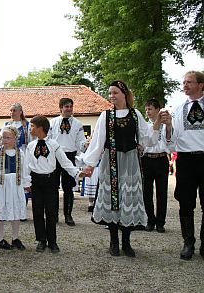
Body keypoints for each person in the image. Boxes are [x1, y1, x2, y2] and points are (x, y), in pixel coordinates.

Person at [83, 80, 165, 257]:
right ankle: (114, 241)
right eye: (110, 93)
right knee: (113, 200)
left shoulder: (135, 114)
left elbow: (147, 138)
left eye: (115, 93)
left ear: (124, 93)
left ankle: (126, 242)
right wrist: (89, 165)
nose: (112, 96)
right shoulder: (105, 116)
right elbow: (97, 142)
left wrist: (157, 122)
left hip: (130, 162)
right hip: (110, 161)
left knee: (128, 198)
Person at [25, 115, 84, 253]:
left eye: (32, 126)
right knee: (37, 211)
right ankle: (41, 239)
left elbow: (65, 162)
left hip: (50, 181)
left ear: (40, 128)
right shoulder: (30, 146)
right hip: (36, 181)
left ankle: (52, 241)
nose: (30, 129)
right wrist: (26, 182)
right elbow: (27, 166)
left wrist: (76, 173)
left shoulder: (54, 145)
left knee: (51, 211)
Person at [166, 70, 204, 260]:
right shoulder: (179, 108)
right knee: (186, 203)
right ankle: (188, 241)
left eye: (190, 82)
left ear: (201, 85)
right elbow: (172, 139)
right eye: (184, 82)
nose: (185, 85)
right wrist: (168, 126)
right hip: (186, 159)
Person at [0, 126, 30, 250]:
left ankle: (15, 238)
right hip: (2, 185)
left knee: (16, 212)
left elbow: (25, 169)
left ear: (15, 139)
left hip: (16, 185)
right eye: (3, 137)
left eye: (8, 137)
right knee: (1, 212)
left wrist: (26, 184)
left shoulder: (20, 153)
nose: (5, 140)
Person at [49, 98, 87, 226]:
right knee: (53, 187)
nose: (69, 109)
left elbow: (80, 142)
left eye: (71, 106)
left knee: (68, 187)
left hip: (69, 156)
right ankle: (53, 216)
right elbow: (48, 140)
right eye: (66, 106)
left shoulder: (78, 124)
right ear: (60, 108)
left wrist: (85, 145)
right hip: (55, 156)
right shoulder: (53, 122)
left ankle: (68, 215)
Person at [142, 98, 171, 233]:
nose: (148, 112)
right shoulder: (145, 126)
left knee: (162, 192)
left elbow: (170, 139)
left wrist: (167, 124)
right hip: (147, 160)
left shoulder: (166, 125)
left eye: (150, 109)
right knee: (147, 192)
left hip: (161, 159)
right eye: (146, 109)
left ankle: (160, 222)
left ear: (158, 110)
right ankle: (150, 219)